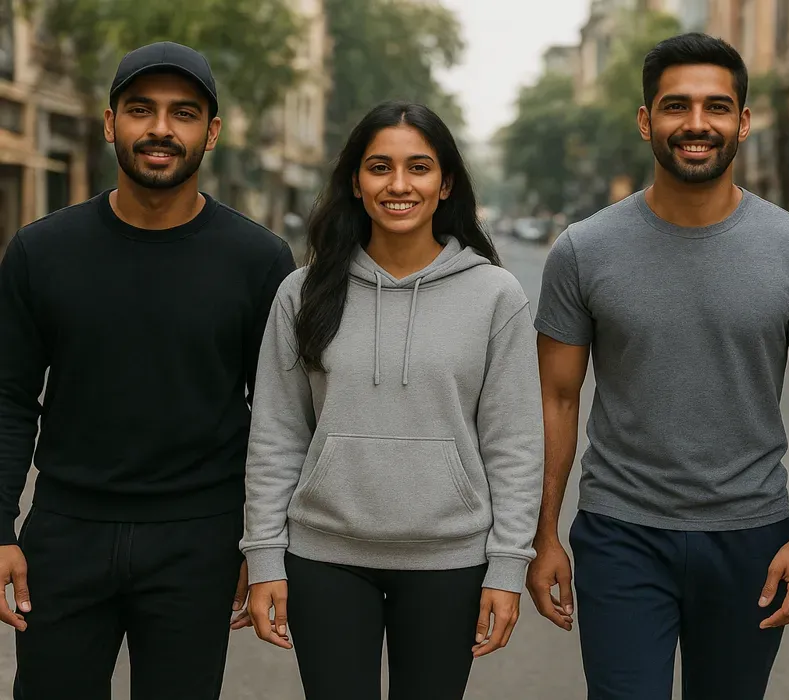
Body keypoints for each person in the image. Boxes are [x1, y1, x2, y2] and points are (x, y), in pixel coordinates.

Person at [529, 33, 789, 699]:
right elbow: (556, 399)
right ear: (647, 120)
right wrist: (544, 534)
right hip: (620, 534)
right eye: (676, 106)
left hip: (753, 537)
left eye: (716, 107)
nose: (696, 124)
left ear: (743, 122)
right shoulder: (582, 252)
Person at [0, 41, 296, 699]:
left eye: (183, 113)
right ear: (111, 123)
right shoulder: (41, 252)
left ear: (210, 132)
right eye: (140, 109)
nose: (160, 129)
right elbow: (9, 397)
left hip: (198, 538)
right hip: (66, 533)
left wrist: (263, 544)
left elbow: (278, 419)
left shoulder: (258, 260)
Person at [239, 100, 543, 700]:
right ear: (355, 181)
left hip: (449, 561)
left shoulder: (494, 294)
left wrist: (508, 566)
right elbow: (276, 436)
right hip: (325, 557)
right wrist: (266, 557)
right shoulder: (303, 293)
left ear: (445, 181)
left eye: (419, 168)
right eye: (379, 167)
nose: (399, 185)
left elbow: (514, 444)